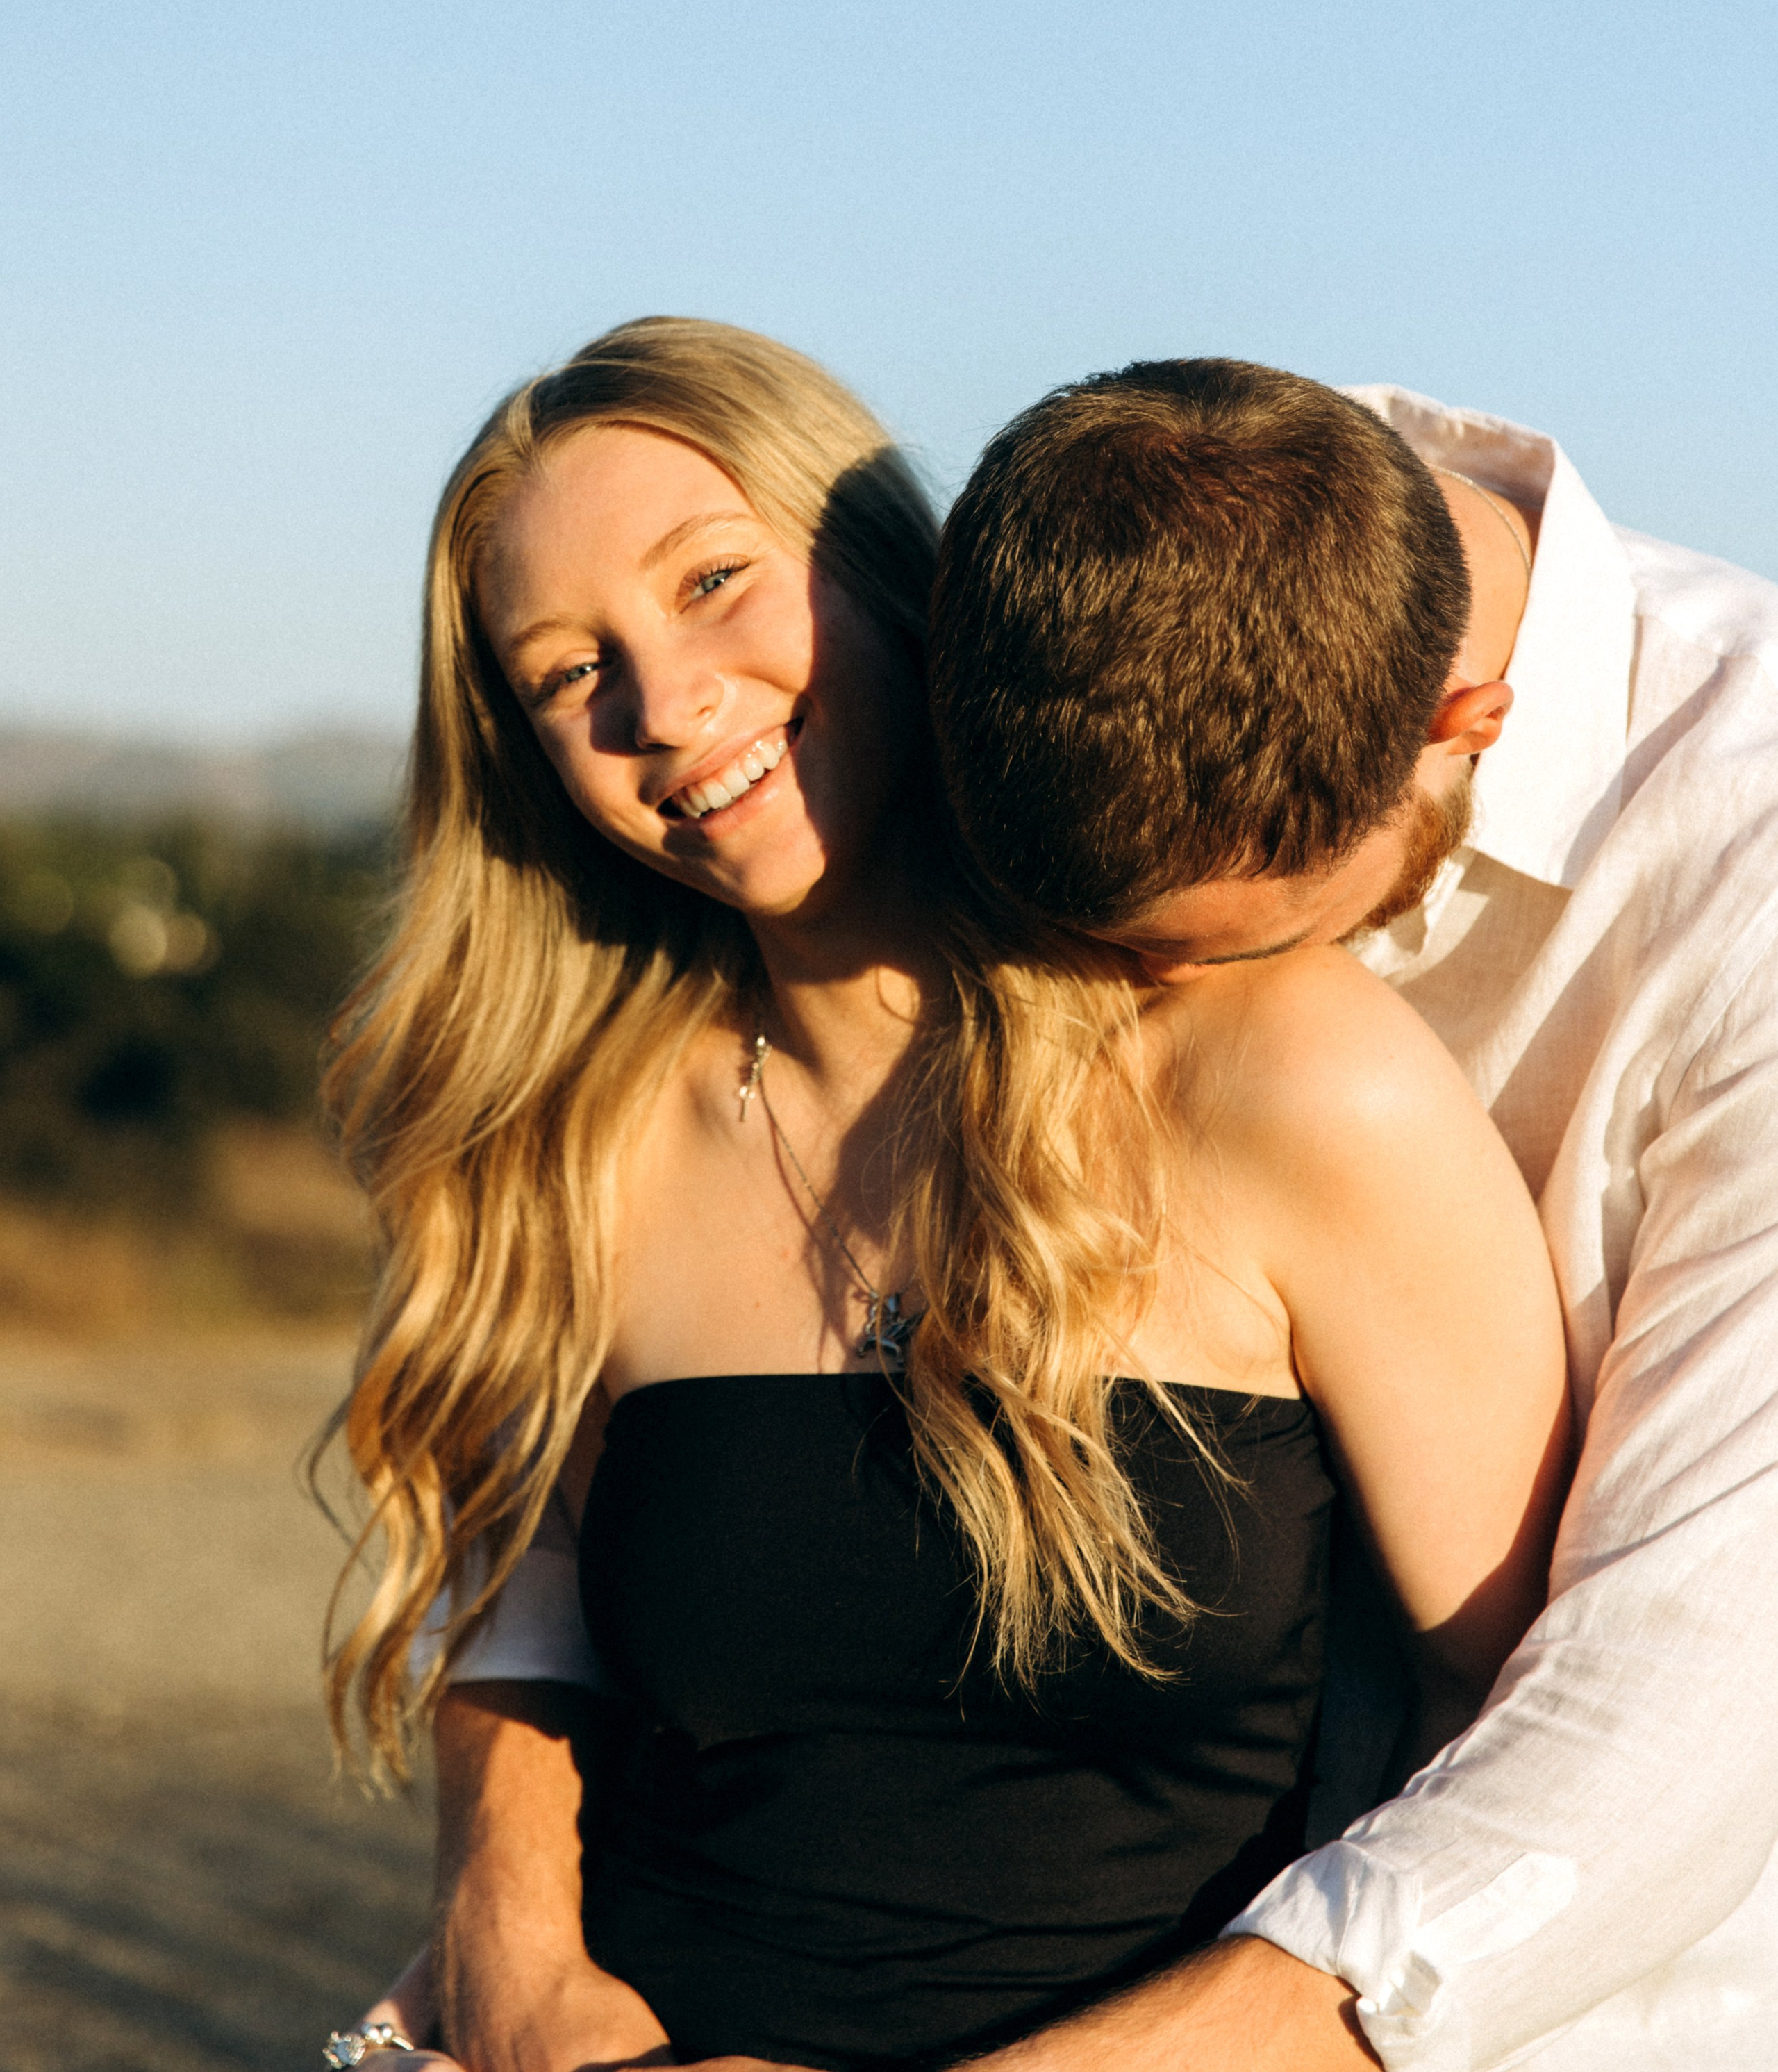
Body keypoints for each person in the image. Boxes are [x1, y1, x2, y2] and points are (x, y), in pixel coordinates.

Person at [319, 321, 1566, 2072]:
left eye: (714, 580)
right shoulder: (576, 1145)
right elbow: (529, 1614)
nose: (663, 706)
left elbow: (1510, 1738)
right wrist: (513, 1949)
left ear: (884, 566)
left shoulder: (1284, 1075)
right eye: (560, 671)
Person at [919, 357, 1778, 2070]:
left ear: (1462, 723)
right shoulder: (1118, 580)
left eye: (1216, 953)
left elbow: (1692, 1689)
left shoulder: (1740, 849)